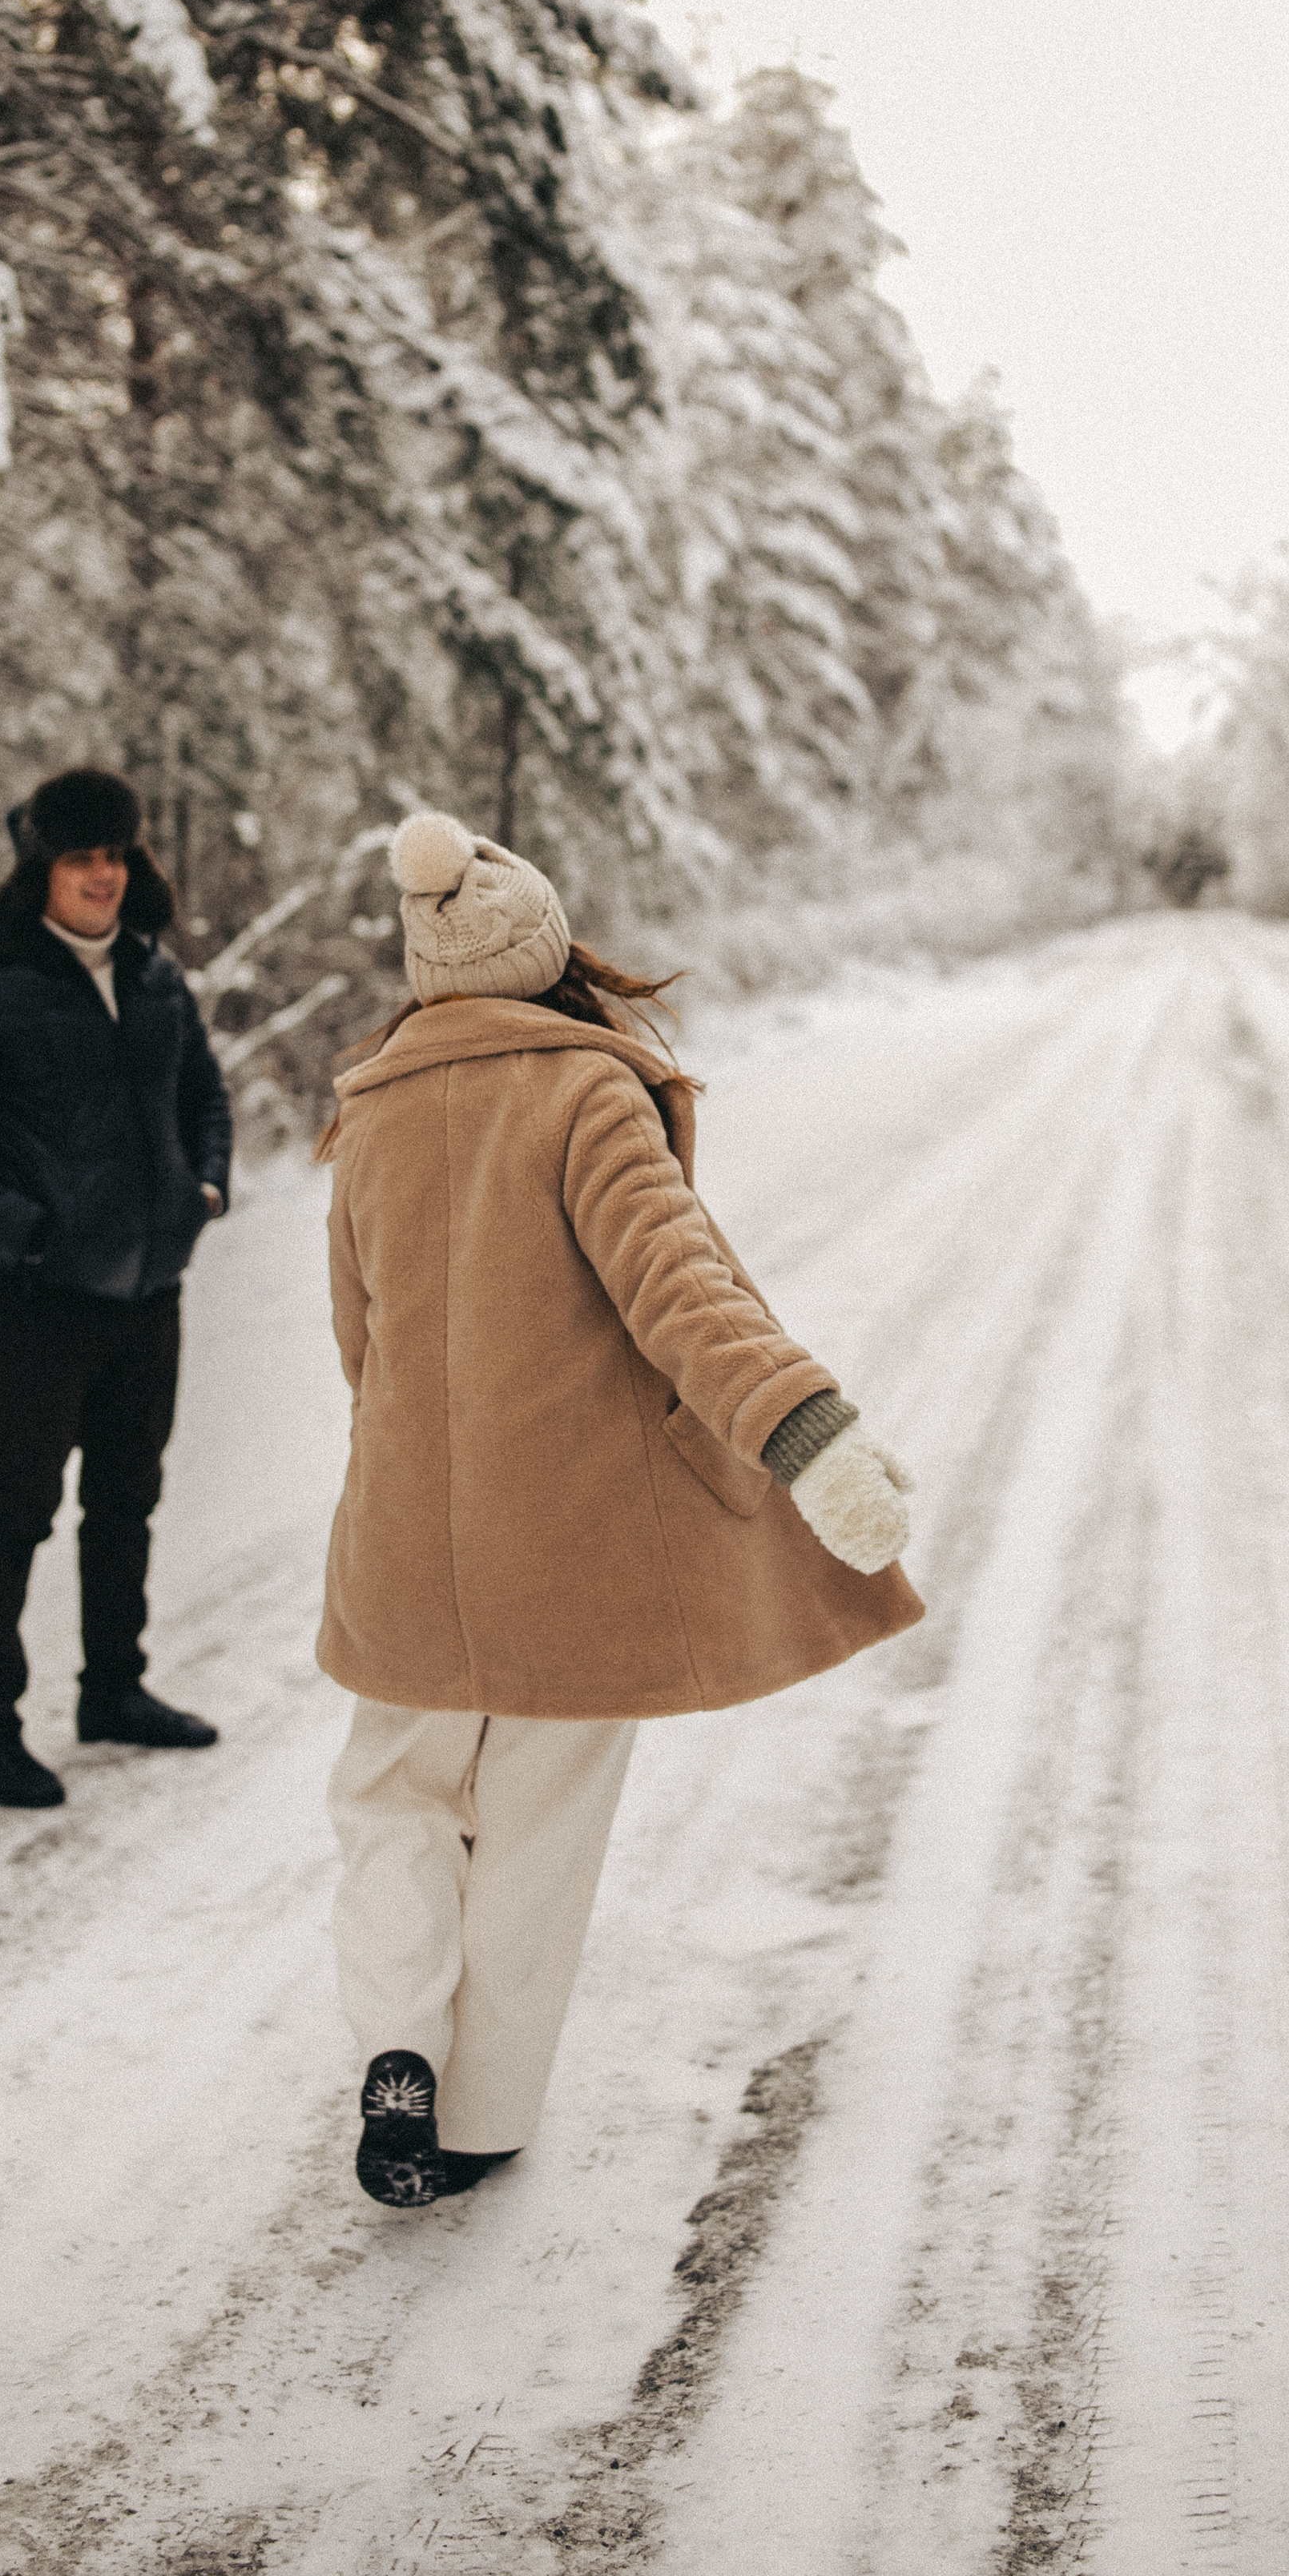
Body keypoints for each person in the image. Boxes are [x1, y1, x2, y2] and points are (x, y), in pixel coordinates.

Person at [316, 811, 923, 2208]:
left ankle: (398, 2048)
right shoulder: (587, 1096)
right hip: (563, 1551)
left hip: (402, 1541)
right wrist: (806, 1430)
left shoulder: (371, 1114)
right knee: (536, 1822)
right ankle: (475, 2121)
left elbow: (360, 1345)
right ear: (542, 954)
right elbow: (682, 1287)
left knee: (393, 1802)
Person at [0, 768, 232, 1810]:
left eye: (117, 856)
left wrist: (204, 1187)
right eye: (82, 859)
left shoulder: (156, 977)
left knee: (128, 1500)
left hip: (148, 1290)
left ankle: (113, 1690)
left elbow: (204, 1094)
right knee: (18, 1509)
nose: (104, 877)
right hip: (39, 1302)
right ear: (41, 869)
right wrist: (19, 1224)